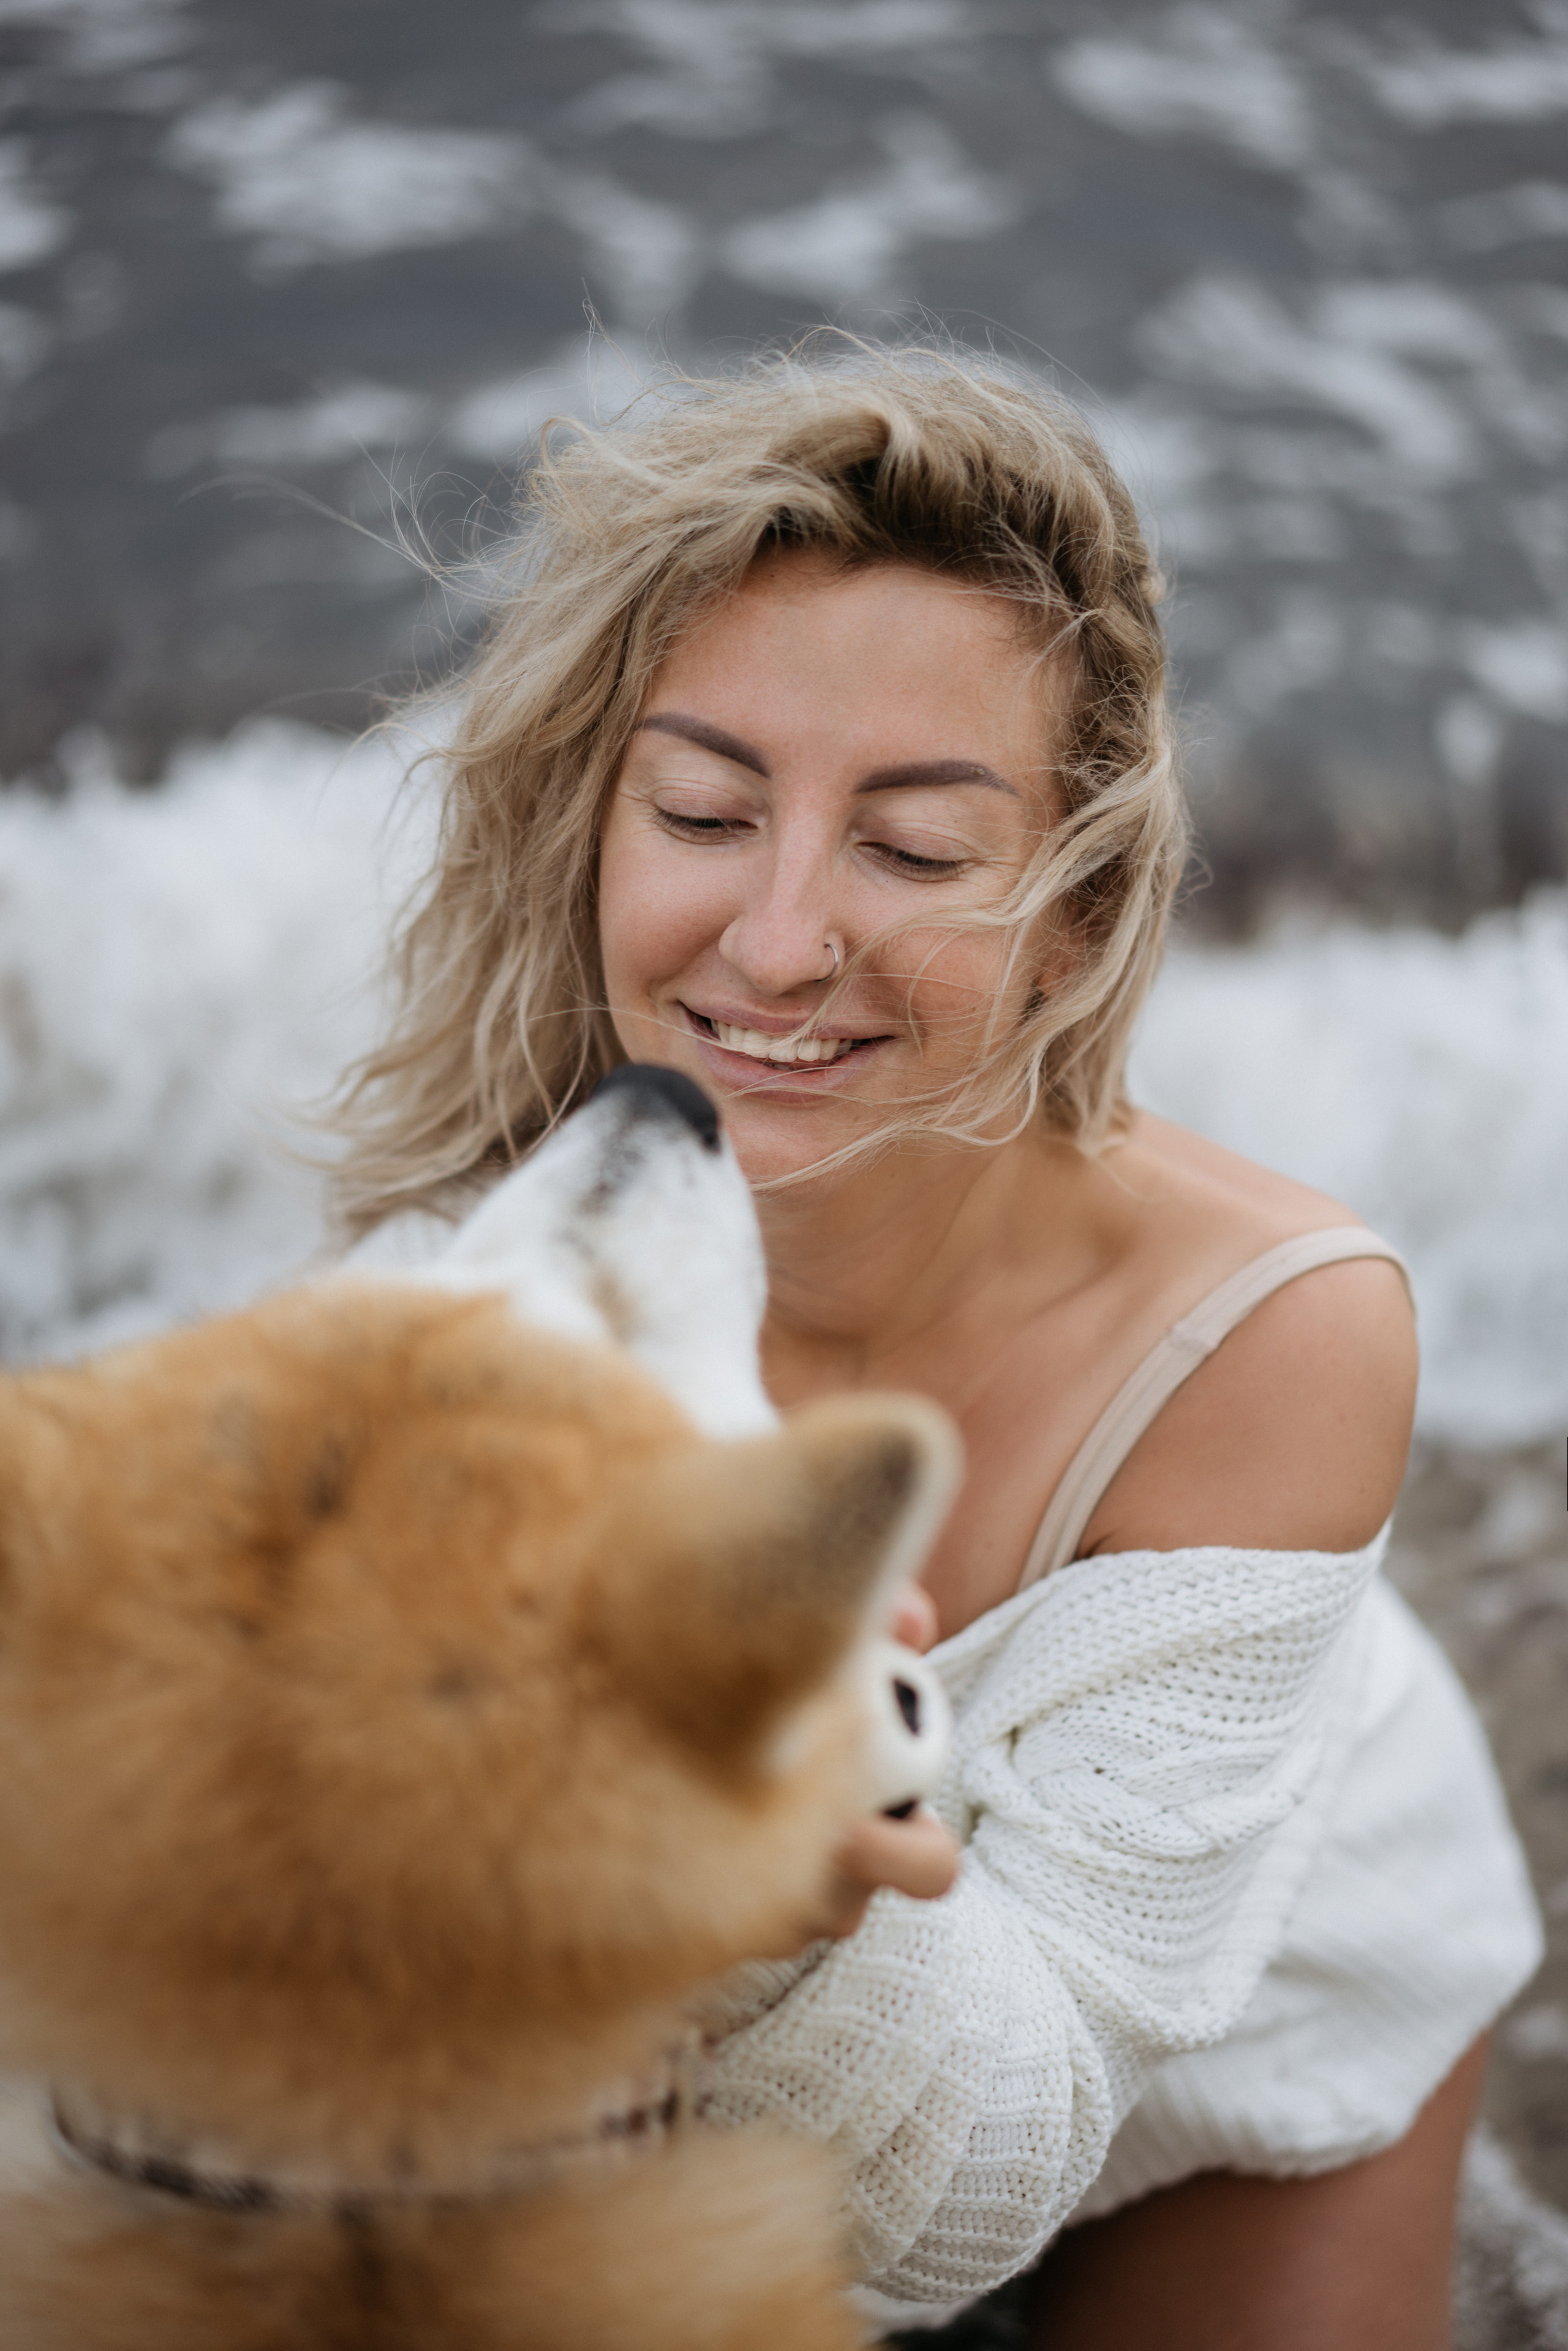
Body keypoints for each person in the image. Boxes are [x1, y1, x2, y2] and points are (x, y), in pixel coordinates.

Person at [334, 344, 1541, 2348]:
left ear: (1074, 920)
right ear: (597, 822)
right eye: (708, 810)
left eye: (910, 851)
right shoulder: (489, 1256)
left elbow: (983, 2175)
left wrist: (781, 1894)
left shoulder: (1276, 1334)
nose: (784, 939)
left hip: (1247, 1961)